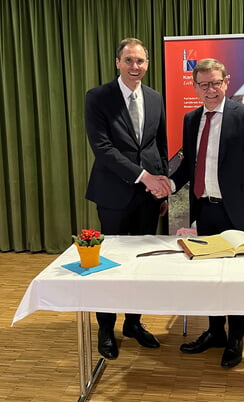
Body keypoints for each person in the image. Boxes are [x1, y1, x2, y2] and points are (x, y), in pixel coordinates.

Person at [168, 58, 244, 369]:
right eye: (204, 84)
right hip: (205, 210)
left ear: (226, 82)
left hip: (237, 212)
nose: (210, 89)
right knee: (210, 276)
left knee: (237, 279)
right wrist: (168, 185)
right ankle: (215, 332)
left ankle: (235, 339)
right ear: (195, 87)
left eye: (216, 83)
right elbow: (188, 166)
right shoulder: (191, 119)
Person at [85, 37, 172, 360]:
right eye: (129, 60)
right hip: (113, 194)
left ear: (147, 64)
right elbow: (102, 148)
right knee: (110, 266)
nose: (135, 66)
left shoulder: (155, 98)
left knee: (141, 263)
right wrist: (143, 176)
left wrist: (161, 188)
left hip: (148, 198)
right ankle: (106, 328)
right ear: (118, 63)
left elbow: (159, 146)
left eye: (141, 61)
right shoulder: (97, 97)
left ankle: (133, 323)